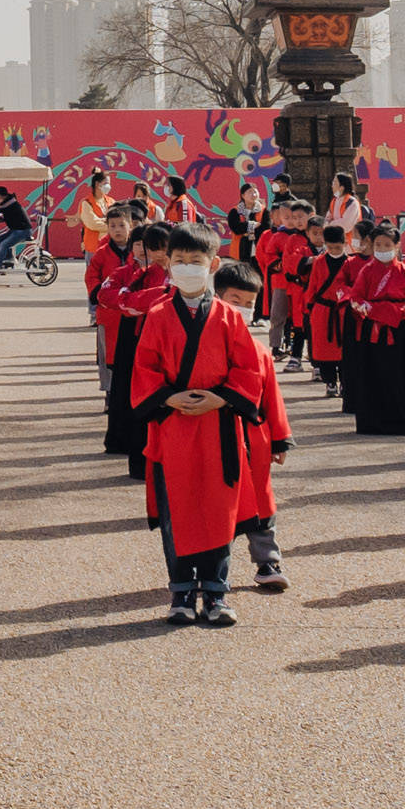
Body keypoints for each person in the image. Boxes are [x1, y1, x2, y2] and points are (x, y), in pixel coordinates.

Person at [125, 230, 285, 627]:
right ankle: (180, 591)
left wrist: (224, 398)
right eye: (180, 260)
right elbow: (143, 368)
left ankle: (216, 592)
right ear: (168, 263)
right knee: (176, 510)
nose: (187, 268)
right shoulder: (158, 315)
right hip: (174, 426)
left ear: (213, 265)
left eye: (196, 262)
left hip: (219, 427)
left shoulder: (230, 316)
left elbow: (249, 368)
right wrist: (166, 398)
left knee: (218, 509)